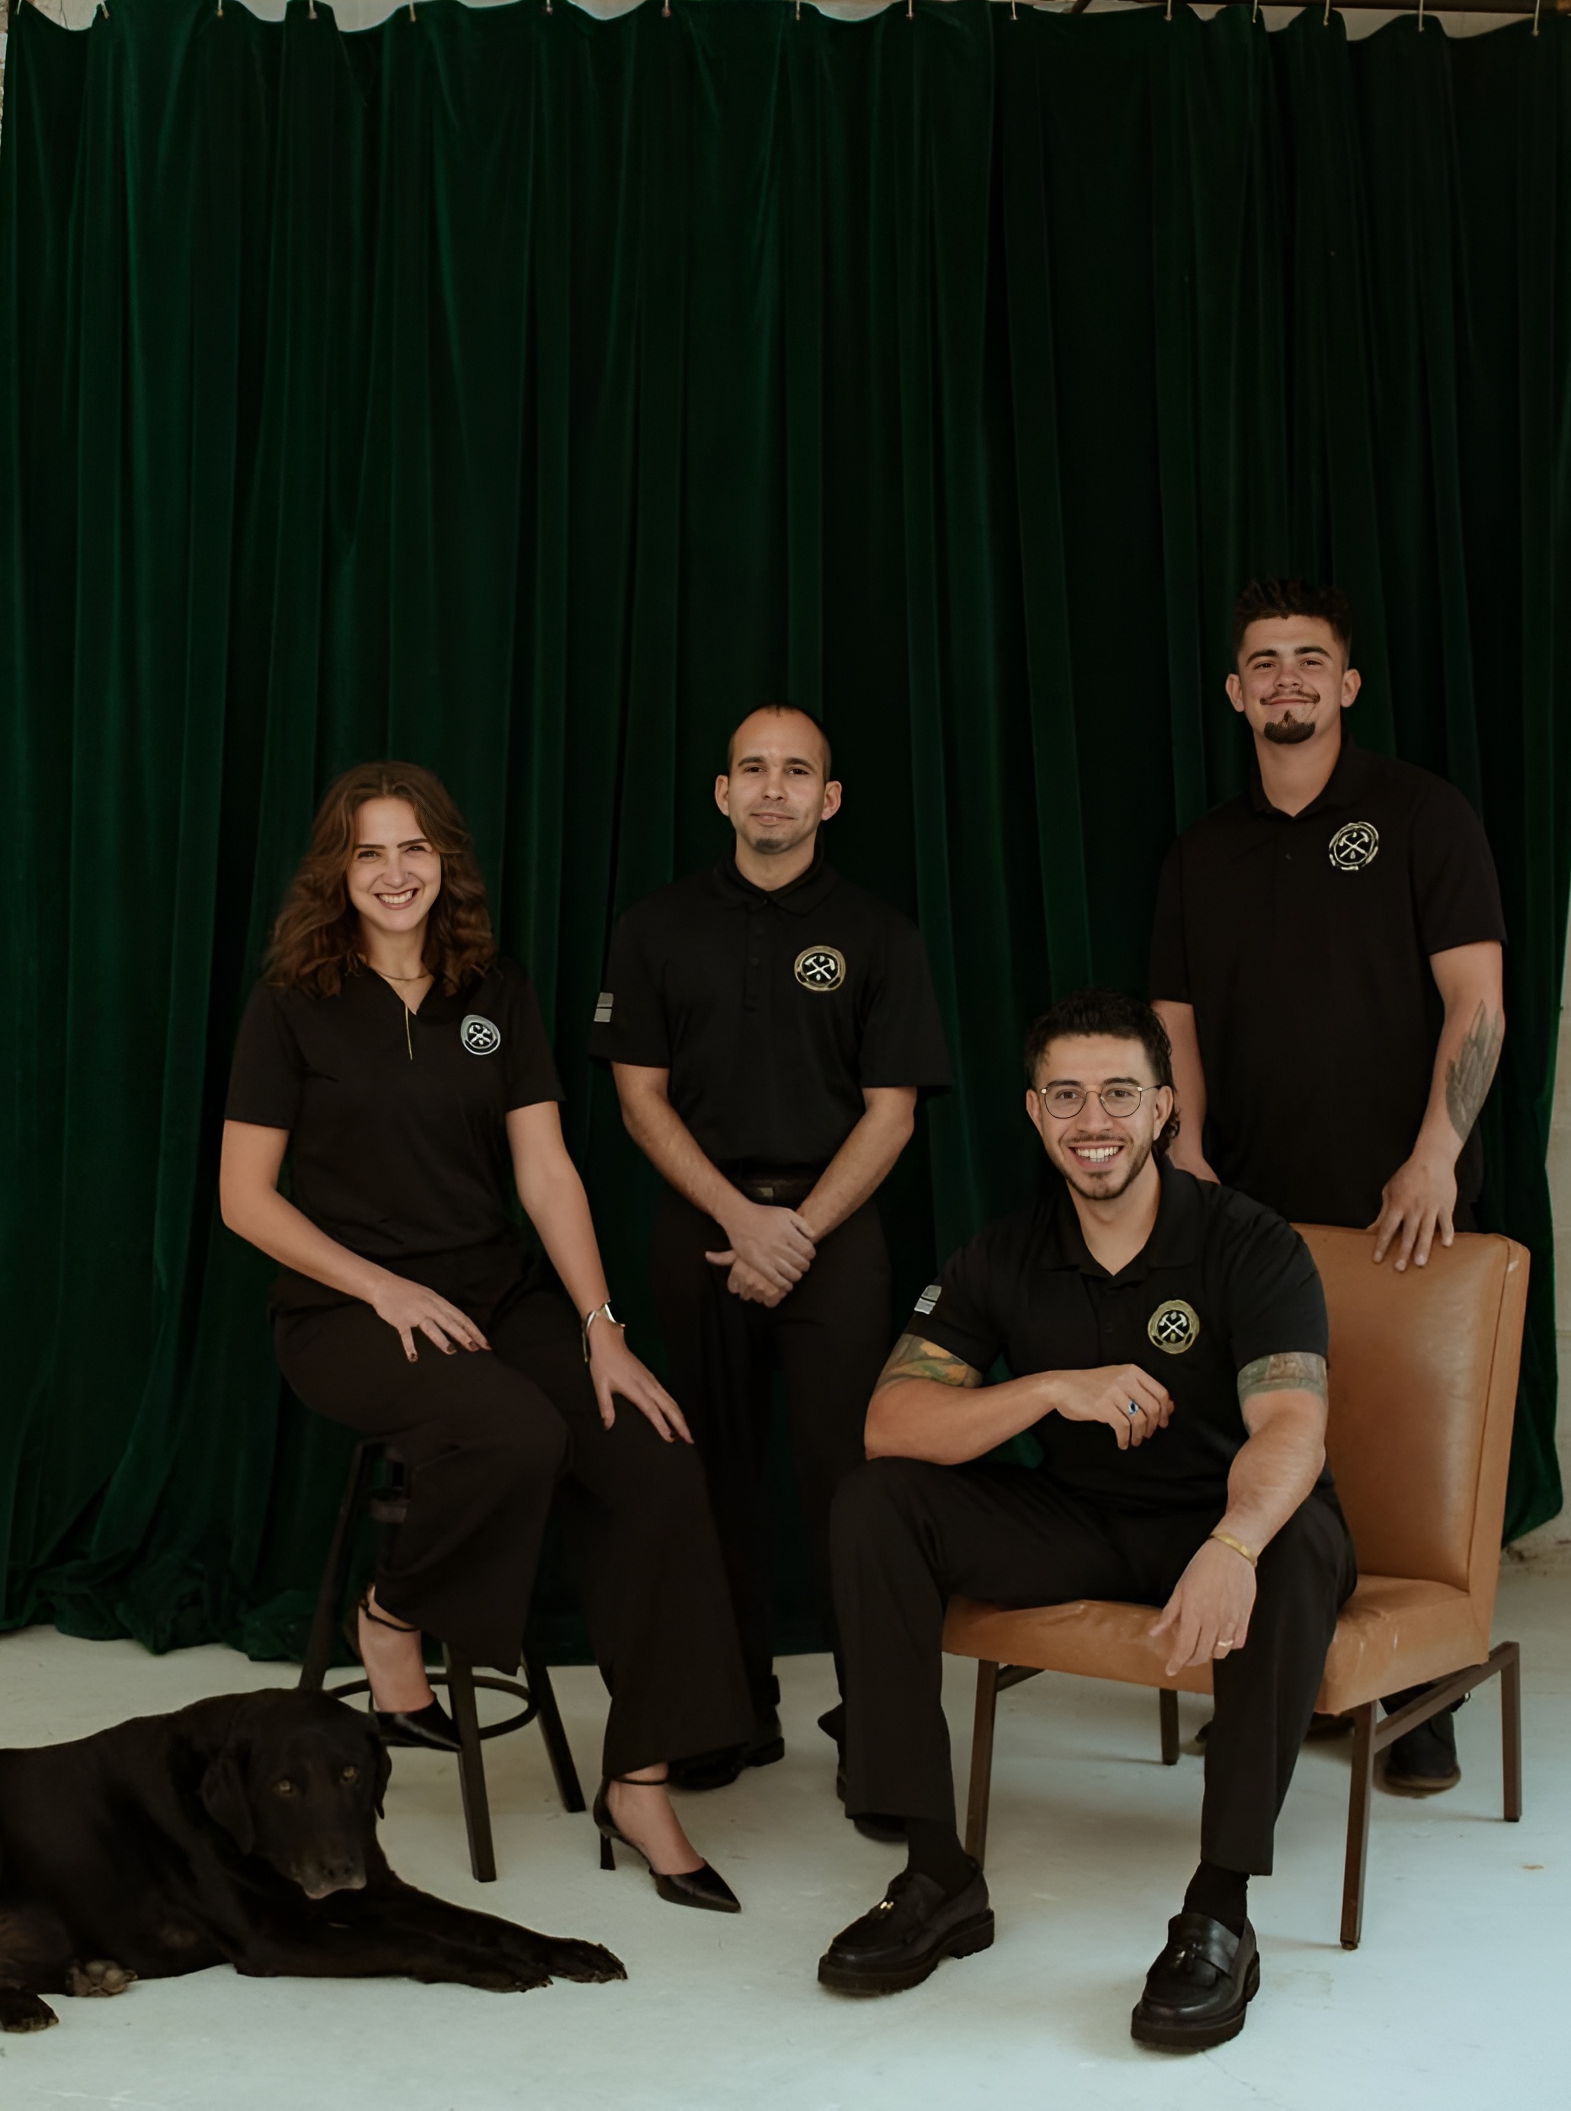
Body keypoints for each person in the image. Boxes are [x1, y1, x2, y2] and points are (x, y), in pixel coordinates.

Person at [218, 762, 752, 1914]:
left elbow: (547, 1173)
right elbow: (245, 1199)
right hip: (344, 1309)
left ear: (444, 864)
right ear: (338, 872)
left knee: (652, 1453)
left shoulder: (491, 989)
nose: (395, 871)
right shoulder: (291, 1003)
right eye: (370, 852)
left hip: (496, 1292)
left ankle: (642, 1777)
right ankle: (393, 1611)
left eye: (414, 849)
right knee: (510, 1431)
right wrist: (380, 1289)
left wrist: (604, 1332)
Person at [817, 990, 1352, 2051]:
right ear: (1031, 1111)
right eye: (1064, 1094)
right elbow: (890, 1421)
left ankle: (1219, 1908)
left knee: (1293, 1542)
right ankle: (935, 1870)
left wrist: (1231, 1542)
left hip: (1221, 1518)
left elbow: (1292, 1426)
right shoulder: (1000, 1254)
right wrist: (1046, 1387)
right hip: (1077, 1515)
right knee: (876, 1501)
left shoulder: (1247, 1241)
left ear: (1162, 1108)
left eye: (1117, 1092)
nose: (1090, 1118)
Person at [1147, 575, 1506, 1795]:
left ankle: (1415, 1690)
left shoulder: (1419, 814)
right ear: (1235, 691)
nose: (1285, 678)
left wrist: (1434, 1153)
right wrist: (1183, 1150)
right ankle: (1272, 1674)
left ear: (1345, 684)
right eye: (1262, 661)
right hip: (1242, 1203)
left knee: (1396, 1443)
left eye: (1309, 659)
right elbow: (1173, 1021)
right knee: (1261, 1435)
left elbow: (1476, 1000)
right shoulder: (1203, 849)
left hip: (1399, 1196)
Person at [592, 703, 952, 1802]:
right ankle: (726, 1713)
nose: (772, 788)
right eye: (751, 768)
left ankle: (879, 1735)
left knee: (853, 1487)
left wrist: (793, 1228)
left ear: (827, 798)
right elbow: (636, 1096)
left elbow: (890, 1113)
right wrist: (737, 1218)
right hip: (697, 1228)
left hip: (833, 1236)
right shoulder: (653, 928)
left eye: (796, 772)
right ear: (721, 791)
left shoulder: (881, 933)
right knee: (707, 1479)